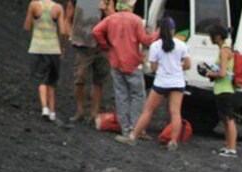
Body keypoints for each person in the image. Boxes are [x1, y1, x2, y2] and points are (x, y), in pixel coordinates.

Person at [116, 16, 189, 150]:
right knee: (175, 113)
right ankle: (173, 141)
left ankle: (133, 137)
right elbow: (188, 65)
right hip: (178, 82)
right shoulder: (182, 45)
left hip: (161, 82)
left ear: (160, 30)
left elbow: (154, 67)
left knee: (148, 111)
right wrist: (177, 68)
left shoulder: (156, 46)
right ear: (173, 30)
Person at [92, 0, 157, 138]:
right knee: (138, 96)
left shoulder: (111, 19)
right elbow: (145, 40)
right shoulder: (136, 20)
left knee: (121, 96)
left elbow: (96, 31)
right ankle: (136, 129)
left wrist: (105, 46)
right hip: (133, 63)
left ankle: (125, 129)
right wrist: (157, 34)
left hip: (115, 62)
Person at [64, 0, 113, 123]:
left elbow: (114, 19)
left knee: (99, 79)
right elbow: (68, 19)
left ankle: (94, 113)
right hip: (83, 44)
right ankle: (80, 111)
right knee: (79, 77)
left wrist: (105, 9)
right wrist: (72, 36)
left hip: (102, 44)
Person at [24, 0, 68, 121]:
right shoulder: (58, 8)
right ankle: (53, 112)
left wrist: (34, 20)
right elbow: (63, 31)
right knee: (52, 81)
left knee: (41, 79)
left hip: (38, 47)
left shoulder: (34, 5)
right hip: (53, 48)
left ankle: (44, 108)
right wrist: (62, 46)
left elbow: (27, 26)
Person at [202, 22, 237, 157]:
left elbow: (222, 73)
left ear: (217, 36)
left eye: (211, 35)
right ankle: (229, 147)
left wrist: (209, 74)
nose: (209, 37)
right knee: (226, 119)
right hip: (225, 88)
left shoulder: (224, 51)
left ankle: (232, 149)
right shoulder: (227, 49)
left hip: (224, 89)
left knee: (228, 119)